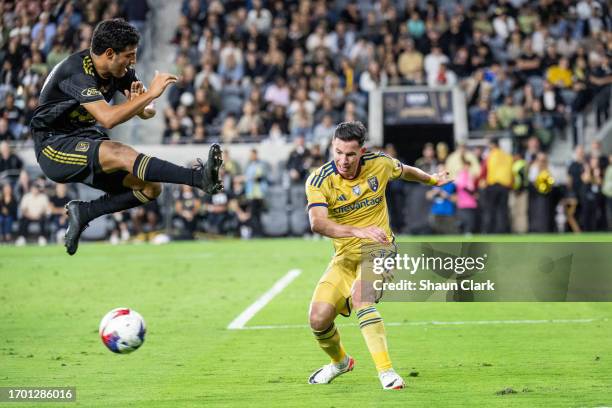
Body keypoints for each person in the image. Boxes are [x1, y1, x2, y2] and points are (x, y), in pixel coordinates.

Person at [29, 19, 223, 255]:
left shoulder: (118, 69)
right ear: (110, 53)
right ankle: (198, 179)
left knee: (151, 188)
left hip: (85, 136)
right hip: (53, 145)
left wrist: (142, 105)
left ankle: (85, 212)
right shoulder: (76, 72)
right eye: (129, 55)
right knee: (119, 152)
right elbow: (108, 118)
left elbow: (146, 111)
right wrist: (150, 93)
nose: (133, 61)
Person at [305, 121, 450, 389]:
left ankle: (386, 372)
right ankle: (340, 363)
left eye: (350, 154)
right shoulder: (319, 180)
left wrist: (432, 178)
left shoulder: (380, 163)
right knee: (318, 318)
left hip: (380, 249)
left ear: (362, 151)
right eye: (337, 152)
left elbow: (406, 171)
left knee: (362, 298)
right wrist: (357, 231)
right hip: (345, 258)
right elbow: (318, 223)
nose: (343, 160)